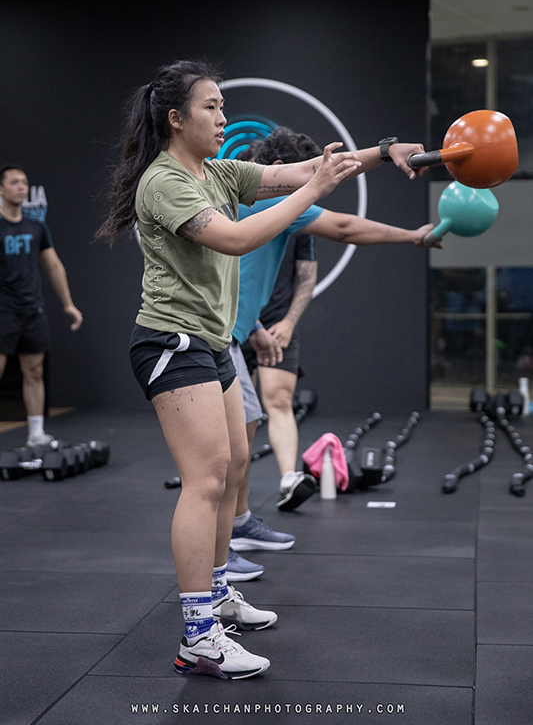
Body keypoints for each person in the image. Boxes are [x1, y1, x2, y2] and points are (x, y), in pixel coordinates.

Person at [96, 59, 427, 680]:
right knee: (205, 480)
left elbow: (303, 170)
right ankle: (199, 634)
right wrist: (313, 190)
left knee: (234, 469)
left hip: (212, 343)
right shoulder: (164, 182)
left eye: (224, 106)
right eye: (211, 107)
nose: (223, 118)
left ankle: (218, 592)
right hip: (171, 342)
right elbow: (236, 239)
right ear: (176, 118)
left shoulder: (219, 172)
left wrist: (385, 152)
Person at [226, 127, 440, 579]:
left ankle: (238, 524)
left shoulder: (261, 204)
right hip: (213, 338)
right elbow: (345, 227)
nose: (314, 184)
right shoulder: (268, 199)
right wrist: (412, 235)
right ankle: (216, 552)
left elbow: (238, 276)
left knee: (246, 426)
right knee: (223, 454)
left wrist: (256, 328)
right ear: (281, 171)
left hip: (233, 332)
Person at [0, 164, 83, 450]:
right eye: (14, 182)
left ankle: (36, 434)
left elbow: (53, 266)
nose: (21, 186)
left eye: (24, 182)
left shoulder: (36, 226)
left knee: (34, 372)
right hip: (3, 311)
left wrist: (68, 305)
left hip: (32, 310)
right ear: (1, 189)